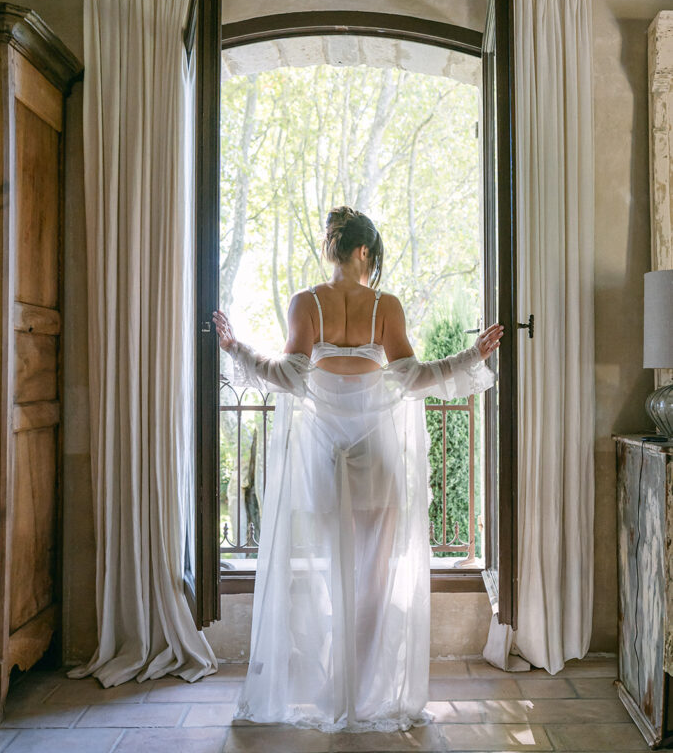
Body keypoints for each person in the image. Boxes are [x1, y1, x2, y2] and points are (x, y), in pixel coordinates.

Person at [213, 206, 502, 733]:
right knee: (373, 579)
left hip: (325, 456)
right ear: (365, 251)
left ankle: (335, 687)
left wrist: (237, 349)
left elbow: (286, 375)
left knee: (332, 574)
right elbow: (413, 378)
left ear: (336, 248)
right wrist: (469, 357)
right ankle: (359, 691)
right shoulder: (384, 306)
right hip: (376, 455)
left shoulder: (306, 303)